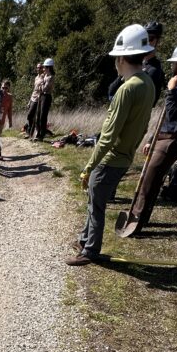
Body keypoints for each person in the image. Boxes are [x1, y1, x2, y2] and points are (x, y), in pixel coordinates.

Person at [67, 24, 155, 266]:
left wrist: (89, 166)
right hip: (125, 157)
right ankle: (85, 239)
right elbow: (145, 125)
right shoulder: (148, 83)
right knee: (94, 200)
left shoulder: (127, 90)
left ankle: (90, 251)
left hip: (110, 159)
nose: (115, 63)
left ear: (123, 58)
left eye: (117, 58)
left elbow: (107, 135)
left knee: (96, 205)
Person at [129, 39, 177, 233]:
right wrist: (151, 139)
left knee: (149, 181)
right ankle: (139, 218)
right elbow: (164, 115)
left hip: (173, 140)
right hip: (161, 137)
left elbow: (174, 116)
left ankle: (136, 222)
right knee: (149, 179)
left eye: (174, 63)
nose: (172, 66)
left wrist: (171, 91)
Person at [109, 21, 164, 104]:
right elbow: (111, 92)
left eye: (151, 39)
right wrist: (121, 74)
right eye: (145, 40)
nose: (147, 42)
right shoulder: (137, 63)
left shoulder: (154, 69)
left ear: (158, 42)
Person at [34, 57, 54, 140]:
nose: (43, 69)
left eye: (45, 67)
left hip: (46, 97)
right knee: (38, 115)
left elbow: (44, 88)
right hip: (41, 96)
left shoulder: (51, 77)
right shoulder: (45, 75)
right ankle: (37, 133)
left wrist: (41, 84)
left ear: (48, 68)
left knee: (43, 116)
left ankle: (41, 135)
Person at [0, 79, 13, 159]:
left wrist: (10, 121)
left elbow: (10, 110)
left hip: (2, 119)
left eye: (6, 88)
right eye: (3, 87)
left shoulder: (10, 97)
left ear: (9, 88)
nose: (4, 89)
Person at [24, 63, 44, 138]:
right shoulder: (36, 78)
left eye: (40, 67)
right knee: (30, 116)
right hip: (33, 98)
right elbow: (34, 90)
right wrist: (29, 101)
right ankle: (29, 132)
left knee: (32, 115)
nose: (38, 69)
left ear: (43, 68)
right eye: (37, 67)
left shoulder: (43, 77)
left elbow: (43, 89)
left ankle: (35, 133)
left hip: (38, 99)